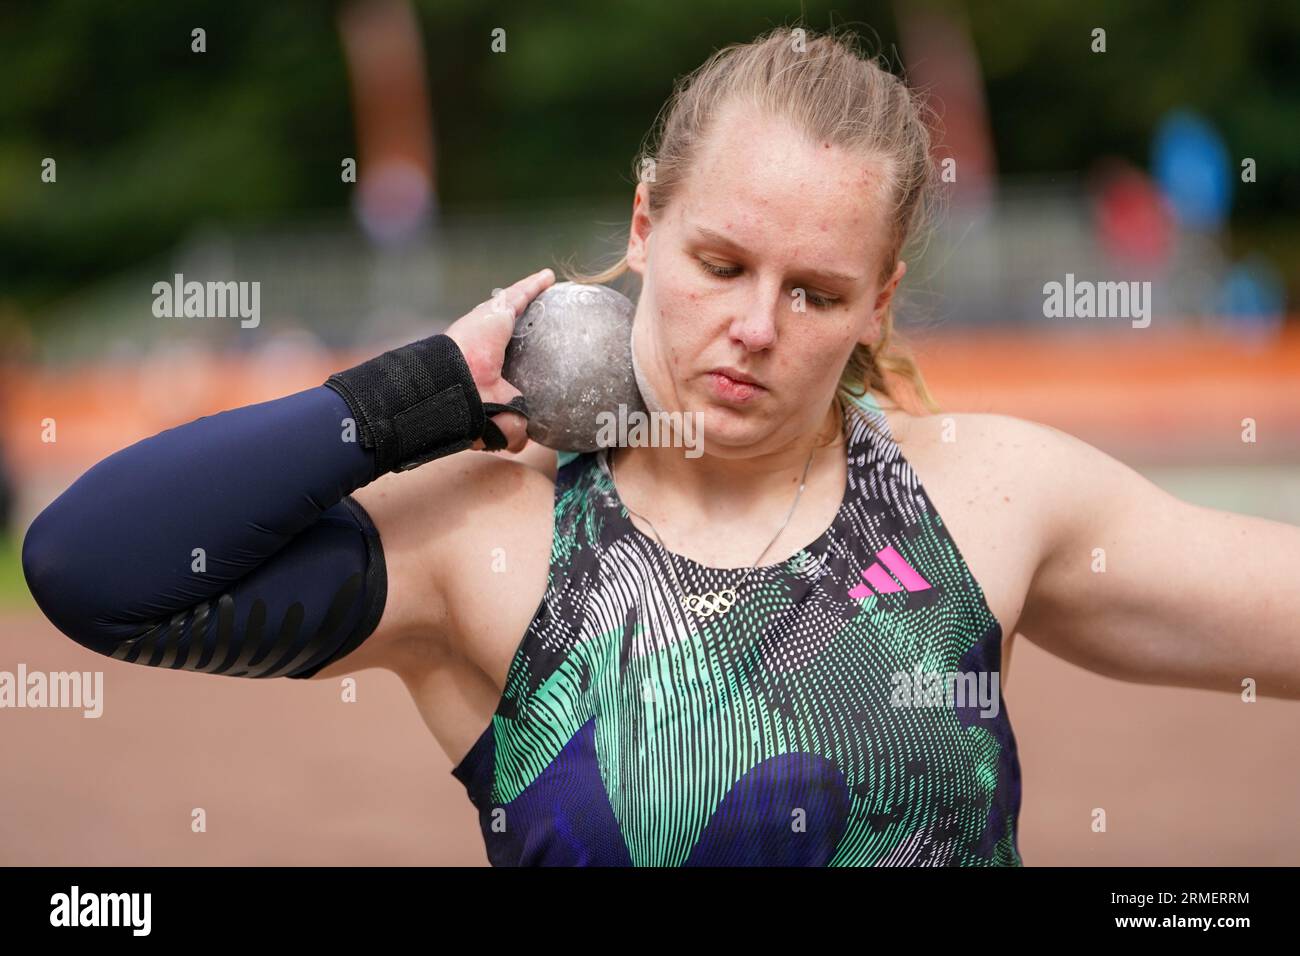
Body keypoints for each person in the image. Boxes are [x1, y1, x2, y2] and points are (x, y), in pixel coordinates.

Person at [21, 25, 1300, 867]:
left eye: (815, 292)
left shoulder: (990, 494)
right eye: (720, 262)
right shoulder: (493, 538)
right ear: (645, 222)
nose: (754, 327)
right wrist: (420, 393)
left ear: (881, 301)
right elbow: (90, 564)